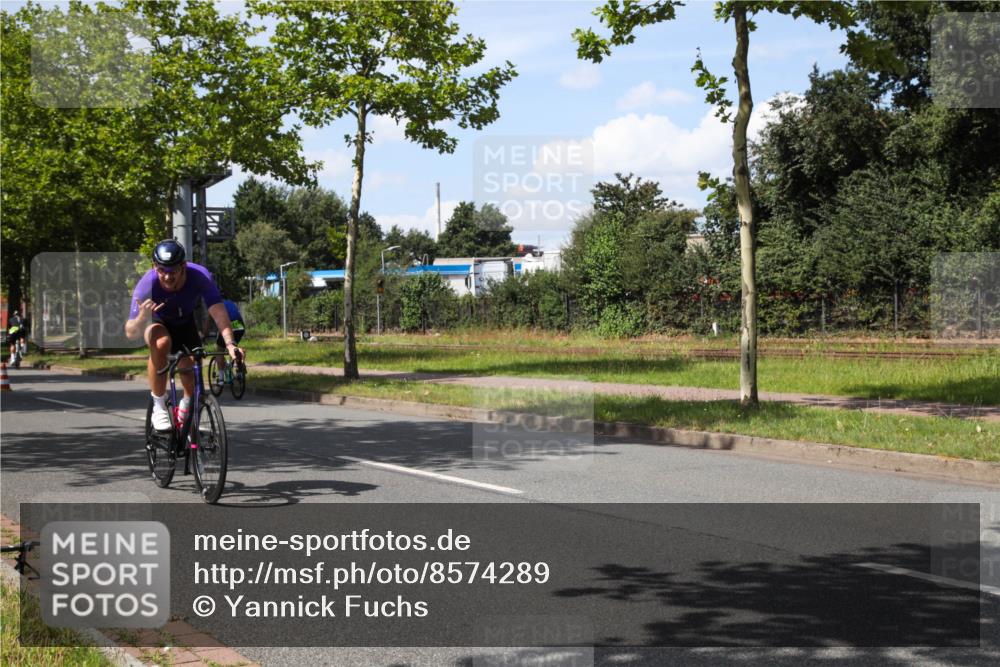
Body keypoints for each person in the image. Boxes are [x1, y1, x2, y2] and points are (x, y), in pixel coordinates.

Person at [124, 240, 243, 431]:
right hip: (157, 322)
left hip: (185, 322)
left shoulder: (200, 276)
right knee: (161, 343)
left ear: (183, 266)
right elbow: (130, 332)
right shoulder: (147, 283)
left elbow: (218, 312)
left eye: (173, 271)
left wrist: (230, 343)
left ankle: (186, 410)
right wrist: (142, 317)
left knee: (190, 365)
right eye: (162, 270)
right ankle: (159, 405)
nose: (167, 276)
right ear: (155, 267)